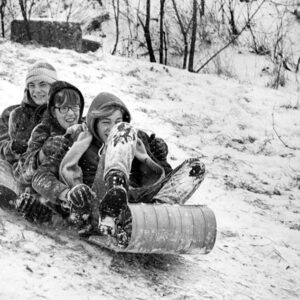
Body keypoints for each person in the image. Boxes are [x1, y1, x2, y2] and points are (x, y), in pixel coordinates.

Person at [32, 92, 205, 239]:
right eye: (106, 122)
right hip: (97, 202)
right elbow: (40, 177)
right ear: (94, 123)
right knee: (124, 132)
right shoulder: (76, 140)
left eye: (117, 121)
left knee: (194, 168)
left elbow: (165, 176)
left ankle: (157, 213)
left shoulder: (136, 141)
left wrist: (161, 156)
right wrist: (68, 194)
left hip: (136, 200)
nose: (112, 128)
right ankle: (113, 202)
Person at [13, 80, 86, 223]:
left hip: (77, 185)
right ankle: (51, 213)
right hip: (47, 189)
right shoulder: (43, 131)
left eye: (75, 107)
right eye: (64, 108)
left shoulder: (85, 130)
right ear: (53, 110)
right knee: (30, 199)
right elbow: (19, 173)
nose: (71, 114)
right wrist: (42, 154)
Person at [0, 61, 58, 165]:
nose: (37, 90)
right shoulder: (10, 114)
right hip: (14, 170)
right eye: (32, 85)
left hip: (46, 171)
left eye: (42, 85)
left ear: (53, 87)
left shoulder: (61, 113)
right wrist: (12, 147)